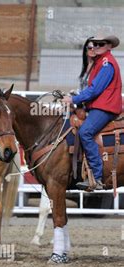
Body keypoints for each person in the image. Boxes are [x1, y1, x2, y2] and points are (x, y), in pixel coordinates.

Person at [63, 34, 122, 191]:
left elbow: (95, 89)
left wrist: (74, 99)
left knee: (85, 132)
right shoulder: (100, 63)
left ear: (109, 46)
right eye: (94, 44)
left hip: (105, 108)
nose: (96, 46)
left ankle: (96, 177)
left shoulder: (106, 64)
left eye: (100, 44)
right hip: (99, 106)